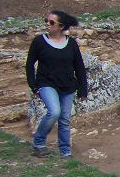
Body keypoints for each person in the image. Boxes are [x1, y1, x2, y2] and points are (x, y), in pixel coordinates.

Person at [25, 10, 88, 157]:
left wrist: (82, 90)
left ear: (61, 26)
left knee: (65, 120)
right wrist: (33, 85)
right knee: (54, 112)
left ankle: (65, 152)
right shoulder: (39, 41)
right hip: (46, 83)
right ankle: (39, 142)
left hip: (67, 86)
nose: (47, 24)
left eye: (51, 22)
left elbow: (79, 67)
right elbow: (29, 65)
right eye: (46, 20)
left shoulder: (71, 43)